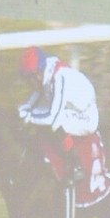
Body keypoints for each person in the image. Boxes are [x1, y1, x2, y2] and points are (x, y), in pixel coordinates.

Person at [16, 46, 98, 185]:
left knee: (54, 124)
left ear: (38, 74)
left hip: (86, 116)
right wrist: (23, 110)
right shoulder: (45, 76)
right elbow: (32, 102)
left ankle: (76, 164)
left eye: (28, 78)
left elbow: (52, 118)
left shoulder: (59, 78)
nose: (27, 83)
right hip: (70, 107)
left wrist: (29, 118)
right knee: (35, 116)